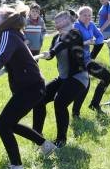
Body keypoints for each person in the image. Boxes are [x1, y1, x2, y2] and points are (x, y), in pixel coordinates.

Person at [0, 1, 58, 169]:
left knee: (2, 125)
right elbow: (8, 57)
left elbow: (2, 55)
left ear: (6, 20)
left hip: (30, 88)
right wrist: (1, 70)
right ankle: (46, 146)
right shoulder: (13, 34)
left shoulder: (8, 33)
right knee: (10, 124)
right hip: (31, 86)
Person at [33, 11, 89, 147]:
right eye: (56, 21)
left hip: (78, 77)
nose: (57, 24)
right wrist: (47, 54)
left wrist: (52, 52)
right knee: (38, 99)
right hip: (63, 78)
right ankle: (36, 136)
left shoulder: (75, 33)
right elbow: (52, 53)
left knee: (60, 102)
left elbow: (63, 44)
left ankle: (61, 140)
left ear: (68, 21)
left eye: (60, 21)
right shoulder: (56, 37)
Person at [71, 6, 110, 115]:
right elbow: (72, 44)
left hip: (87, 59)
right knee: (85, 86)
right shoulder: (75, 26)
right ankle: (75, 113)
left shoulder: (91, 25)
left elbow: (100, 37)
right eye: (85, 15)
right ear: (79, 15)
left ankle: (94, 104)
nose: (87, 17)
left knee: (107, 77)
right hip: (77, 61)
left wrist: (94, 42)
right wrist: (86, 42)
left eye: (89, 15)